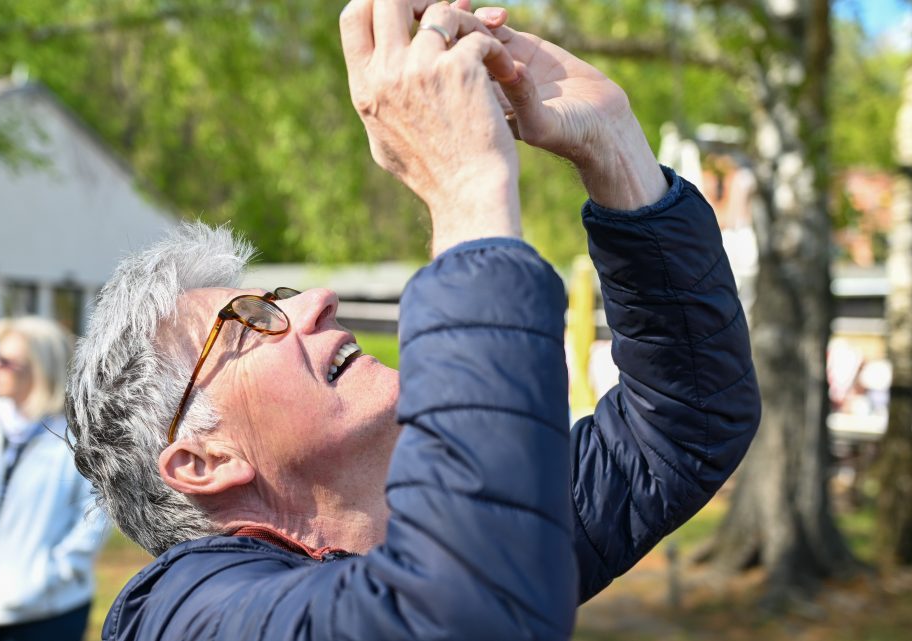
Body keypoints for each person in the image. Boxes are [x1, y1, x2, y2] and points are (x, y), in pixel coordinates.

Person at [66, 0, 761, 638]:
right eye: (251, 322)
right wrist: (463, 186)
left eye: (281, 294)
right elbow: (463, 607)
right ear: (202, 460)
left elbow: (685, 420)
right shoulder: (190, 616)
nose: (318, 301)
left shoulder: (413, 532)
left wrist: (610, 142)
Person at [0, 316, 108, 641]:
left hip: (47, 612)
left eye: (5, 361)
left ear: (39, 369)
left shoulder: (78, 438)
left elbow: (93, 516)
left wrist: (53, 574)